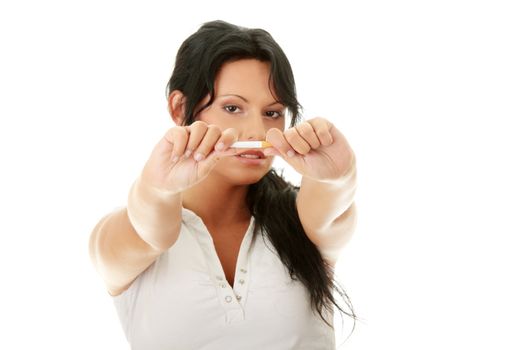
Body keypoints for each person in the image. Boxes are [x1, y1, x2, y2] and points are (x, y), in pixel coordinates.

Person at [89, 20, 358, 349]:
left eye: (273, 113)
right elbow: (150, 227)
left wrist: (339, 176)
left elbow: (332, 205)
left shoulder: (302, 221)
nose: (256, 133)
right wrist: (157, 188)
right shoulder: (117, 235)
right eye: (232, 108)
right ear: (179, 108)